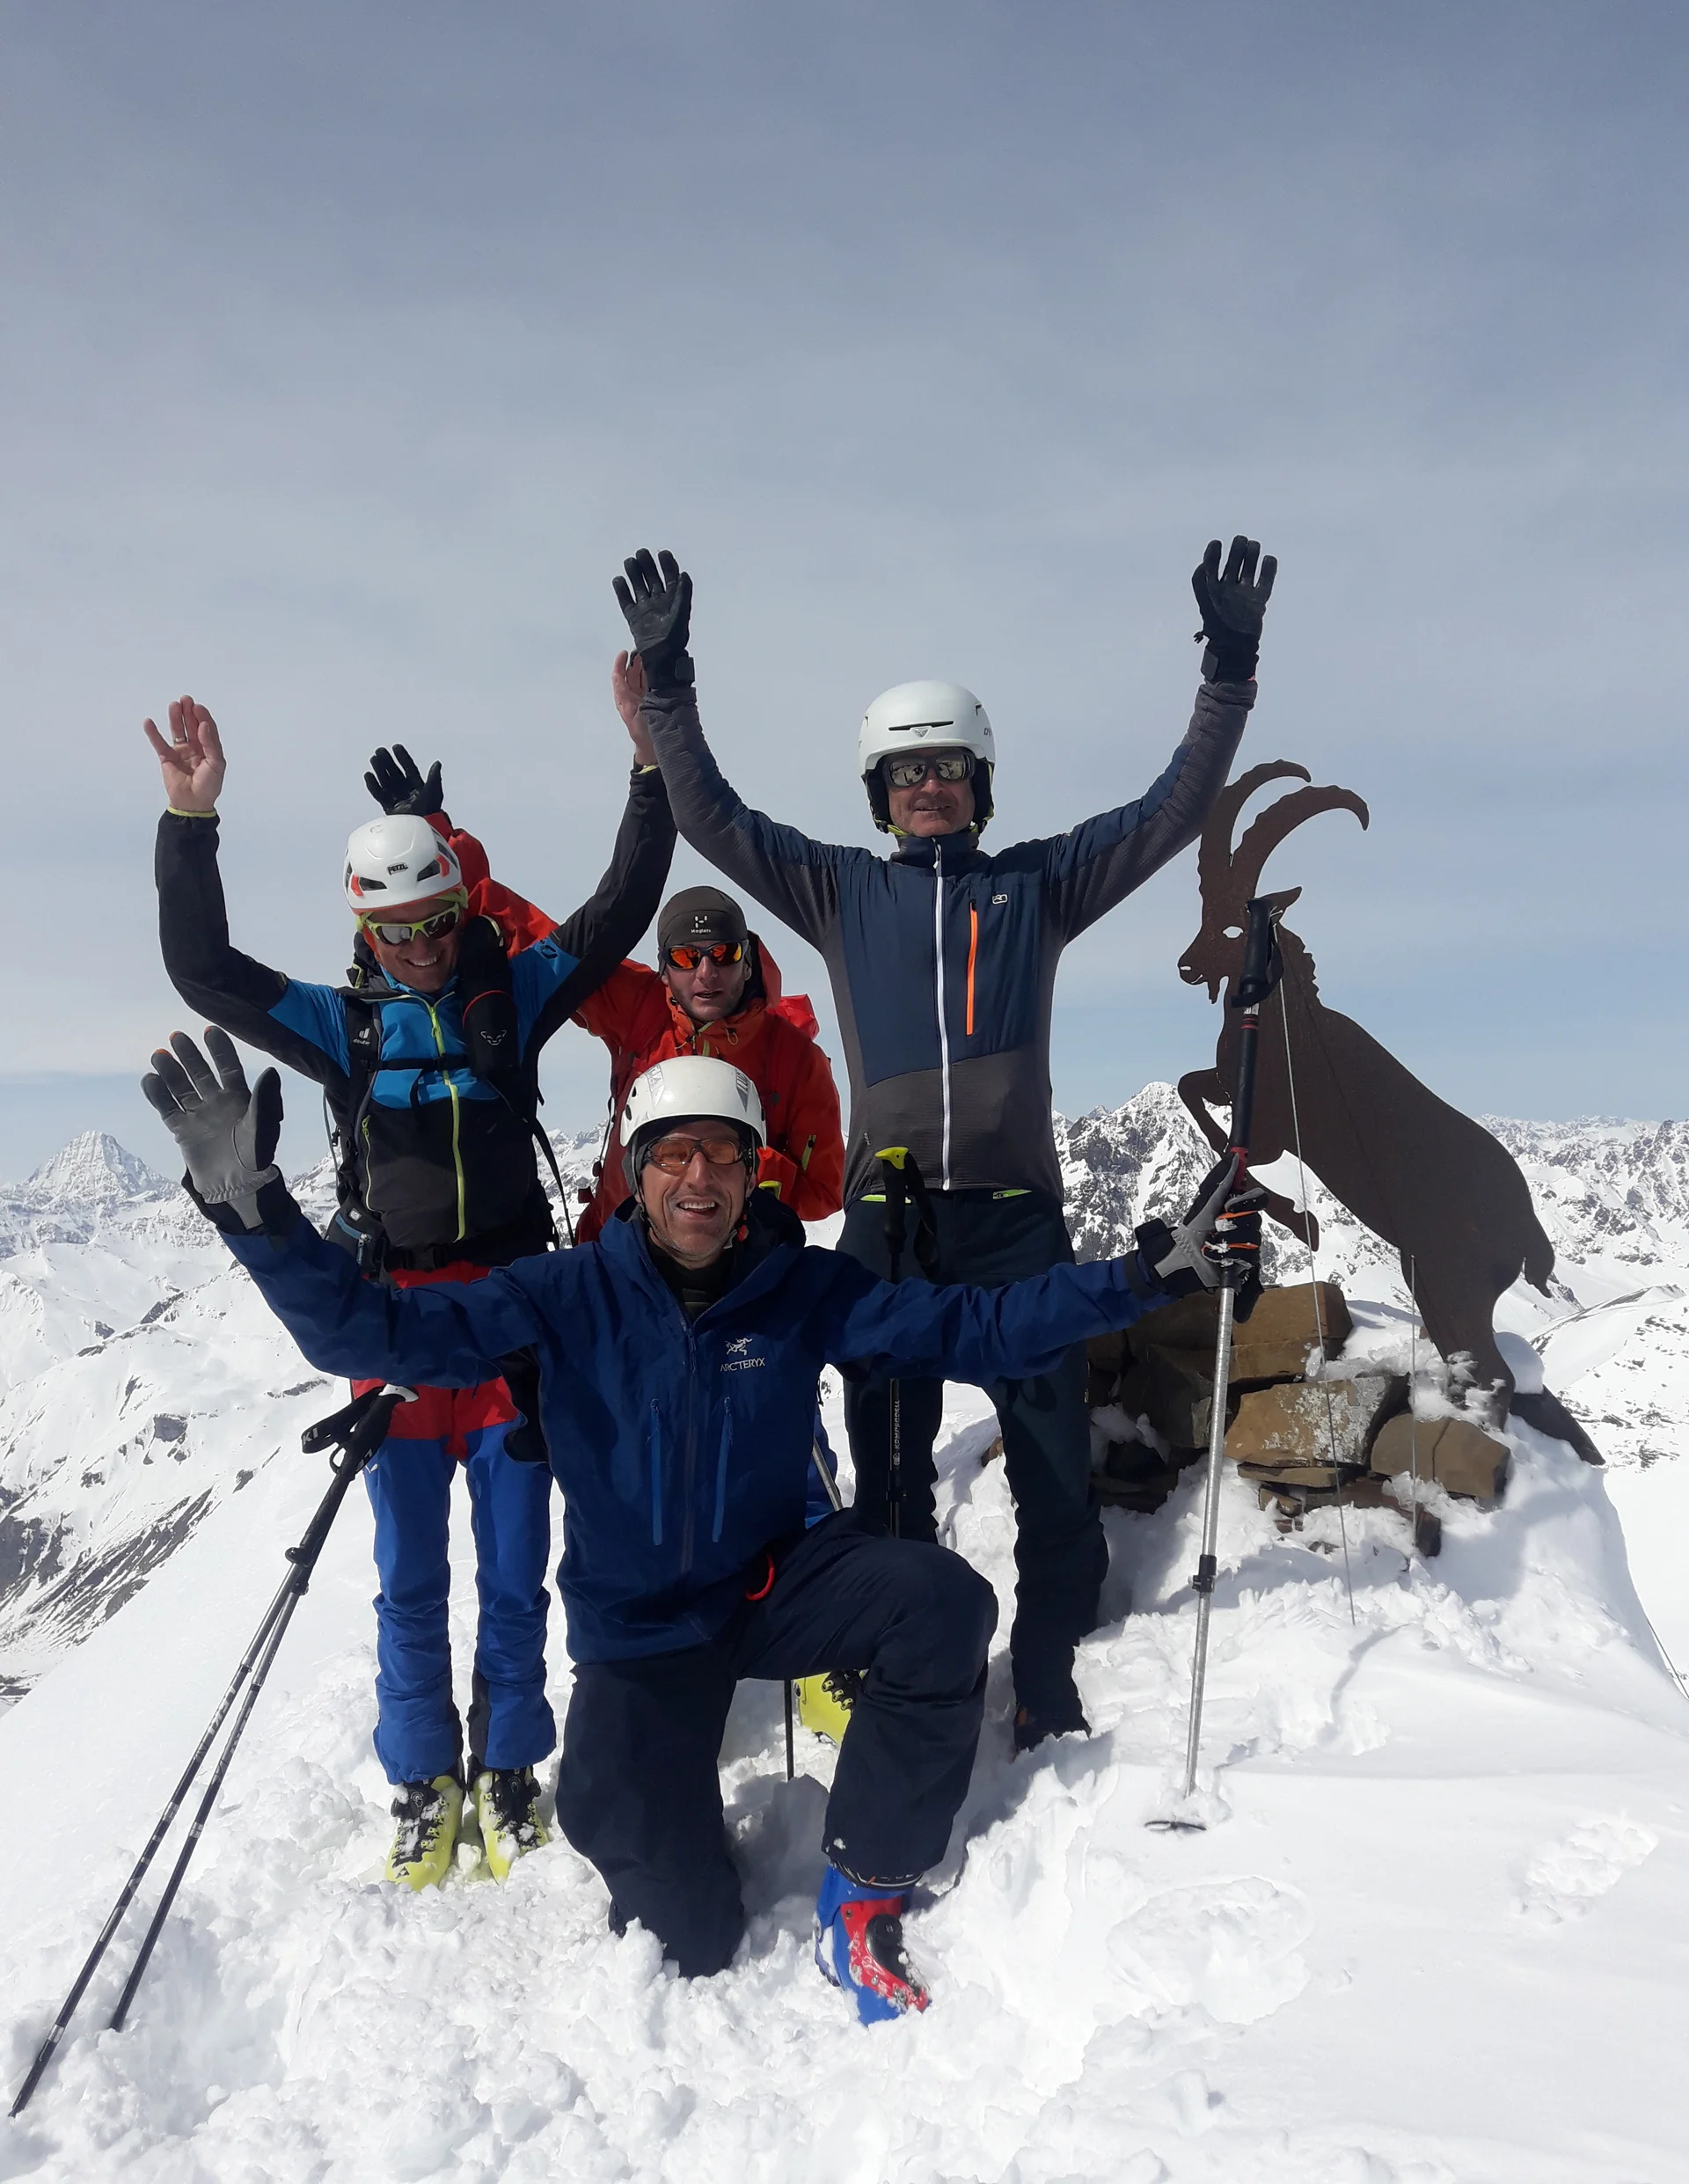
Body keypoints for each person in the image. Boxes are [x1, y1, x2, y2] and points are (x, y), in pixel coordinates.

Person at [142, 1034, 1251, 2020]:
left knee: (943, 1604)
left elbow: (976, 1324)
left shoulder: (800, 1290)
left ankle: (865, 1889)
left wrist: (1137, 1279)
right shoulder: (558, 1295)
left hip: (771, 1583)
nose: (698, 1178)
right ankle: (668, 1828)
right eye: (673, 1154)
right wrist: (258, 1218)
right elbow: (369, 1327)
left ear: (751, 1171)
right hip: (639, 1632)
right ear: (635, 1170)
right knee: (687, 1927)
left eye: (723, 1155)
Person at [612, 538, 1276, 1748]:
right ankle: (904, 1667)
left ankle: (1049, 1662)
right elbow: (713, 816)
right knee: (889, 1467)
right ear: (879, 793)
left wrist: (1226, 672)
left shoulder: (1039, 887)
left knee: (1051, 1464)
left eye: (950, 771)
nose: (930, 789)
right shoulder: (838, 891)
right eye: (907, 773)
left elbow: (1172, 811)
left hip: (1015, 1212)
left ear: (980, 785)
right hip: (890, 1217)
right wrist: (669, 682)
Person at [145, 685, 675, 1886]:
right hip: (394, 1324)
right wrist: (191, 823)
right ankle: (423, 1783)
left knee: (511, 1558)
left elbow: (617, 912)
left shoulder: (512, 999)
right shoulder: (348, 1029)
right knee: (409, 1576)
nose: (424, 946)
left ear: (461, 906)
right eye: (399, 932)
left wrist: (652, 773)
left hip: (512, 1325)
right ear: (365, 931)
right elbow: (203, 970)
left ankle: (510, 1768)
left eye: (438, 921)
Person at [572, 870, 844, 1241]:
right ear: (664, 970)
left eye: (724, 954)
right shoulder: (639, 1008)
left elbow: (826, 1190)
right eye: (685, 957)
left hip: (738, 1269)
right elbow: (542, 946)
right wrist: (462, 867)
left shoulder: (795, 1058)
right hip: (618, 1256)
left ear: (747, 964)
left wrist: (735, 1159)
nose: (706, 972)